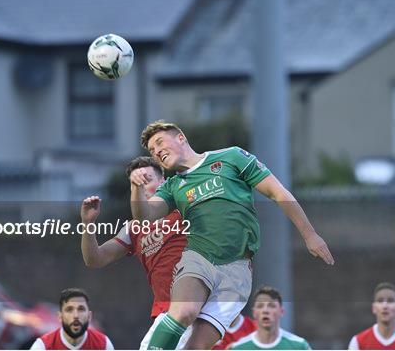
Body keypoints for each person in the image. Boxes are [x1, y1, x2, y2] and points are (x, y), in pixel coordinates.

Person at [129, 121, 334, 349]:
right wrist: (136, 189)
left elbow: (278, 193)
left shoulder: (232, 157)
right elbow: (145, 217)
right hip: (199, 258)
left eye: (159, 142)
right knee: (184, 310)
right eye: (151, 150)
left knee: (196, 347)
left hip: (238, 271)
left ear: (180, 137)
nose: (156, 151)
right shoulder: (172, 186)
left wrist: (310, 234)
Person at [80, 156, 189, 349]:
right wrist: (88, 224)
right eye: (134, 184)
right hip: (166, 311)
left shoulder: (183, 208)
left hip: (196, 305)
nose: (140, 188)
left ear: (163, 181)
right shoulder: (133, 229)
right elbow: (94, 259)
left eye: (146, 181)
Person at [348, 282, 395, 350]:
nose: (385, 306)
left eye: (390, 301)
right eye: (380, 301)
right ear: (374, 308)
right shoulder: (358, 342)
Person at [30, 288, 113, 350]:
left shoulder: (103, 344)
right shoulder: (43, 346)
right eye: (69, 310)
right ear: (60, 317)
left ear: (89, 316)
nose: (76, 315)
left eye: (81, 309)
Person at [230, 286, 311, 350]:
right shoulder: (239, 348)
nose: (265, 310)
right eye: (260, 306)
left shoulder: (300, 346)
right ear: (254, 312)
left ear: (281, 311)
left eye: (271, 306)